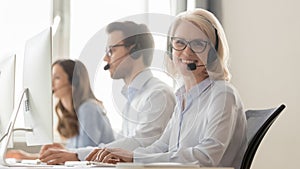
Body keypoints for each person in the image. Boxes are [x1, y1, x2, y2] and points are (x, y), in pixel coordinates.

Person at [86, 9, 248, 169]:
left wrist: (134, 157)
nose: (187, 52)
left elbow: (206, 157)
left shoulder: (222, 94)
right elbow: (161, 147)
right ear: (171, 50)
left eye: (198, 43)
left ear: (213, 52)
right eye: (180, 43)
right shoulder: (183, 97)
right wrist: (122, 156)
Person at [38, 21, 176, 165]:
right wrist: (70, 152)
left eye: (111, 50)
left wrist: (77, 154)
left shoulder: (158, 94)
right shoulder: (133, 98)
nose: (105, 58)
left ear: (135, 51)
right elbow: (122, 145)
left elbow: (140, 144)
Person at [6, 59, 115, 160]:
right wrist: (28, 157)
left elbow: (85, 154)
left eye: (57, 78)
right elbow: (73, 155)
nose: (51, 83)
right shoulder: (71, 113)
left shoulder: (88, 108)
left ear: (74, 82)